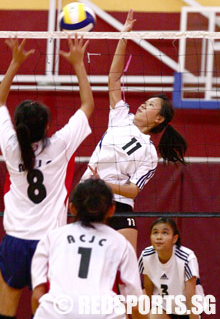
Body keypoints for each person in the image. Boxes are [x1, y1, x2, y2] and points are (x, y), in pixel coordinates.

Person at [0, 34, 94, 318]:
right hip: (50, 241)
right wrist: (78, 64)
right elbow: (87, 105)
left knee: (6, 308)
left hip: (15, 239)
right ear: (49, 125)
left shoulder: (10, 146)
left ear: (17, 126)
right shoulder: (61, 145)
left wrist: (14, 63)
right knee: (46, 307)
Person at [81, 10, 187, 251]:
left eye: (150, 105)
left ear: (159, 118)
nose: (143, 104)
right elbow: (114, 79)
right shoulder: (121, 116)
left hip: (119, 202)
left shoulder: (150, 153)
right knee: (88, 258)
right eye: (145, 101)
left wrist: (105, 183)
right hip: (89, 193)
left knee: (127, 265)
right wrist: (123, 36)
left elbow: (133, 190)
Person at [31, 178, 148, 319]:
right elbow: (135, 305)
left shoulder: (52, 238)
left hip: (55, 314)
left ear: (72, 208)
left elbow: (37, 297)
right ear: (111, 210)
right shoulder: (120, 244)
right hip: (103, 314)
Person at [138, 217, 204, 319]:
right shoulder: (146, 255)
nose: (159, 237)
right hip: (163, 307)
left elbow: (191, 298)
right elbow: (148, 289)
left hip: (187, 309)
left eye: (165, 233)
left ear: (175, 238)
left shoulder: (187, 258)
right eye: (155, 233)